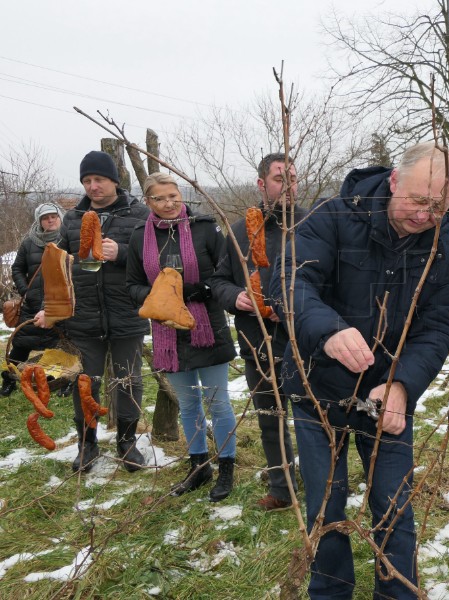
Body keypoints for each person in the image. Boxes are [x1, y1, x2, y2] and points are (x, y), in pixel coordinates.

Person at [271, 140, 449, 599]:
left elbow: (437, 329)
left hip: (386, 398)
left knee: (395, 507)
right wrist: (328, 331)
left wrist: (401, 385)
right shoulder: (334, 215)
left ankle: (397, 593)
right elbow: (289, 279)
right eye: (418, 201)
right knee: (325, 505)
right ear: (394, 180)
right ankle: (331, 593)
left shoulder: (447, 248)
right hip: (318, 387)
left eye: (439, 207)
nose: (424, 216)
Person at [36, 151, 149, 473]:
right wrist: (48, 308)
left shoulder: (138, 214)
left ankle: (127, 443)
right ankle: (87, 444)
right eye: (87, 181)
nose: (93, 186)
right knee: (86, 381)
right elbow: (56, 267)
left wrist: (124, 253)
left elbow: (152, 261)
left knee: (128, 381)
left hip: (126, 312)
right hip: (84, 316)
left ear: (114, 180)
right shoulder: (72, 219)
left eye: (99, 179)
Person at [127, 172, 238, 502]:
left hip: (208, 327)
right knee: (189, 405)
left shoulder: (204, 228)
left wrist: (202, 290)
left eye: (174, 195)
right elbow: (132, 285)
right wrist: (161, 295)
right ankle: (199, 466)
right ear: (149, 202)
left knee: (218, 402)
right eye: (160, 198)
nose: (169, 203)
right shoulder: (139, 237)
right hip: (167, 333)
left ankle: (227, 468)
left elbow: (227, 271)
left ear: (181, 195)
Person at [208, 153, 304, 511]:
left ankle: (322, 478)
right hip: (258, 341)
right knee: (270, 418)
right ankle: (282, 489)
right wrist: (237, 297)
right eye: (281, 179)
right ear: (262, 184)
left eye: (293, 178)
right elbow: (216, 281)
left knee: (314, 417)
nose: (289, 186)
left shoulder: (312, 224)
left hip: (308, 340)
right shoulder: (238, 231)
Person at [2, 204, 65, 397]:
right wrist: (25, 290)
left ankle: (64, 382)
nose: (51, 220)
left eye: (54, 216)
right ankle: (9, 382)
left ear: (60, 218)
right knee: (21, 345)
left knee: (62, 346)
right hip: (32, 303)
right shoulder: (29, 242)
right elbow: (17, 269)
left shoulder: (68, 239)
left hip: (60, 303)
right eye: (46, 217)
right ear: (39, 221)